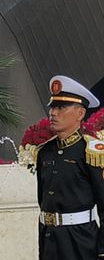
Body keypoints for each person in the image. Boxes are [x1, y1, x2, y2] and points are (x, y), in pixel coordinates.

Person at [35, 75, 104, 260]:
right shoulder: (45, 152)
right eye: (52, 107)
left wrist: (102, 249)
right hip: (49, 240)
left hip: (81, 241)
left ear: (80, 114)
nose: (53, 113)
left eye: (61, 107)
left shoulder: (90, 152)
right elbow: (42, 201)